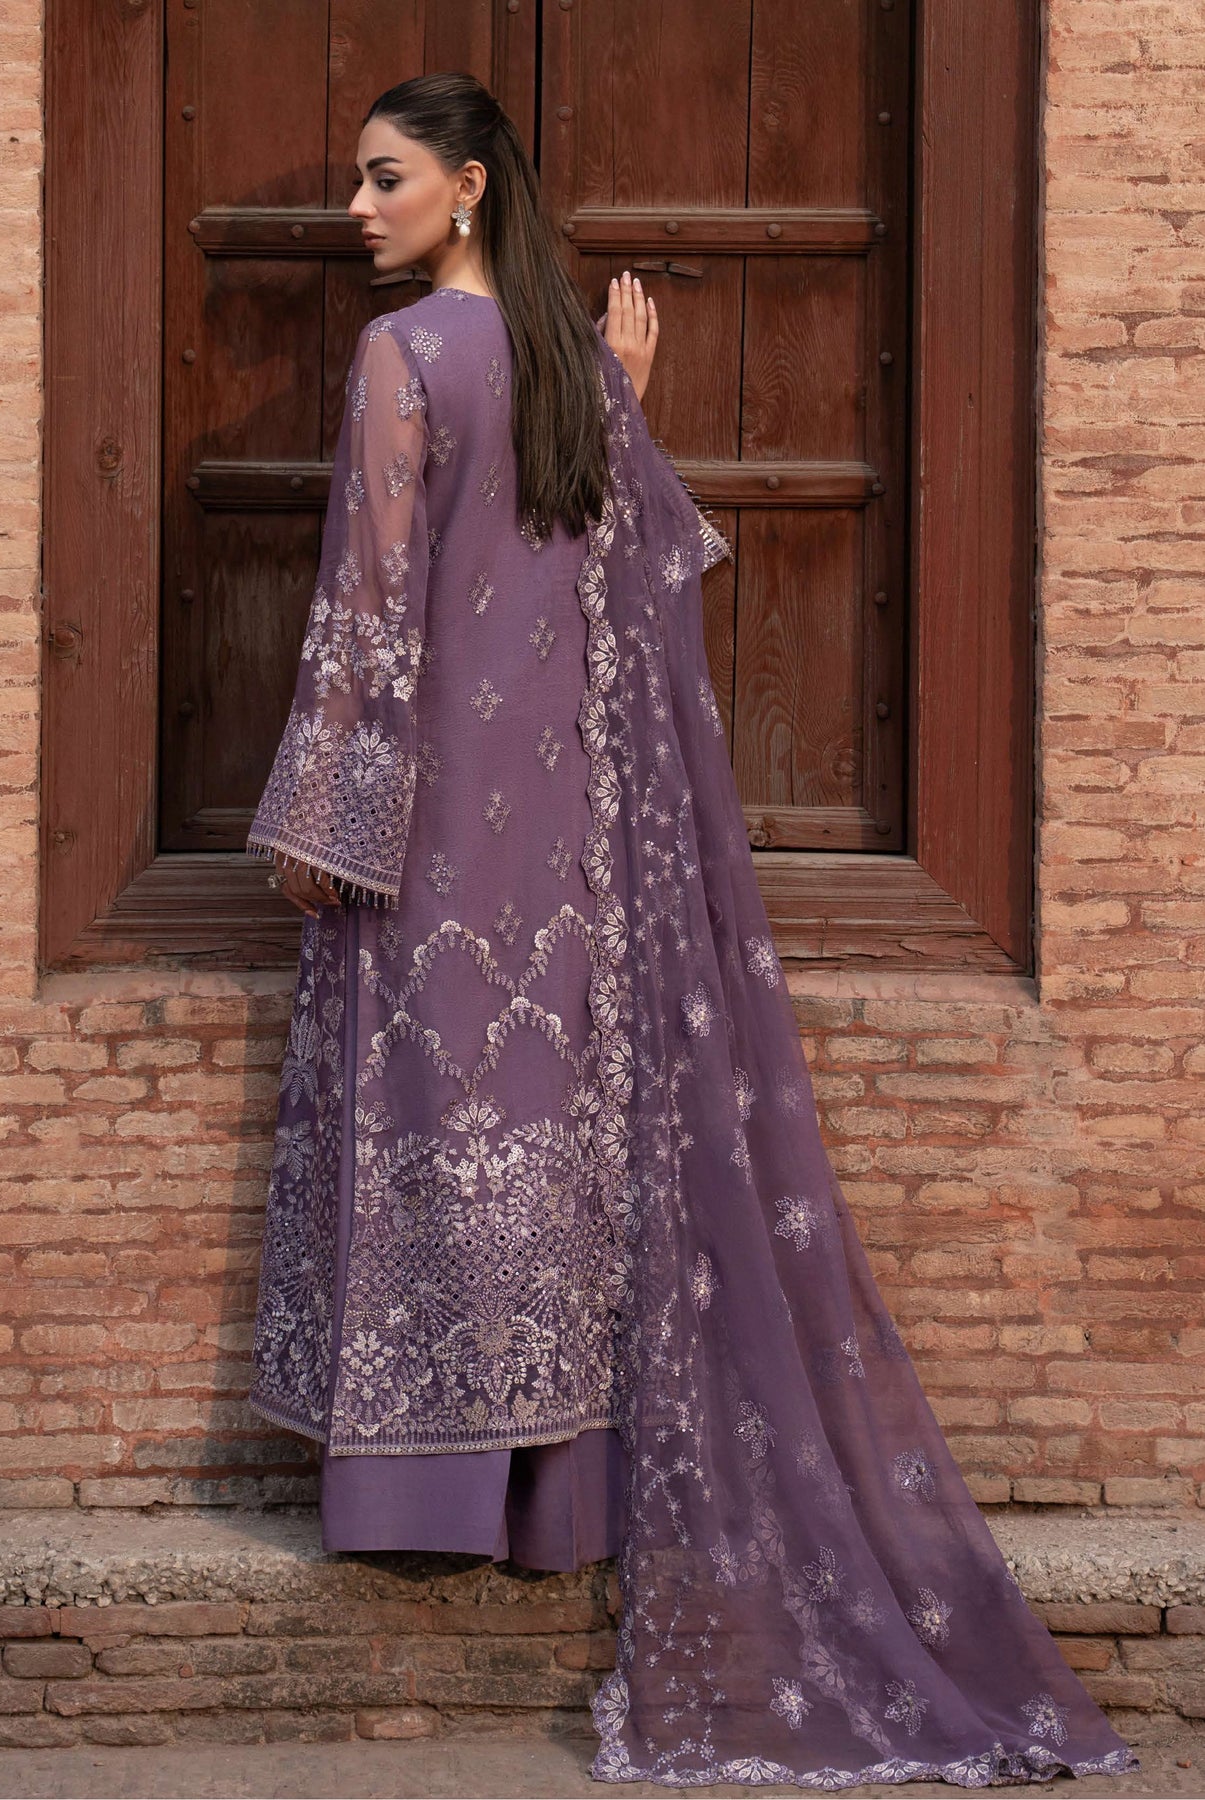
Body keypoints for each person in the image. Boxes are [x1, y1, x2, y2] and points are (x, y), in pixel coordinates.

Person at [245, 70, 1139, 1791]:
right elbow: (638, 566)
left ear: (469, 187)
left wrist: (325, 823)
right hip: (571, 826)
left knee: (434, 1118)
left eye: (383, 178)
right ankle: (559, 1501)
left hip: (431, 821)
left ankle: (426, 1498)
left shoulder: (401, 357)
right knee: (559, 1129)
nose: (356, 208)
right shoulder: (577, 367)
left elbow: (368, 603)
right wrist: (624, 405)